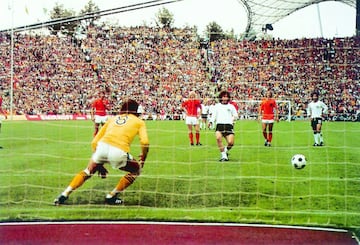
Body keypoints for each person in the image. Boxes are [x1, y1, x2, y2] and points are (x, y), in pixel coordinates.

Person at [54, 99, 150, 205]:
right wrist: (143, 157)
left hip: (102, 147)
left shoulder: (112, 119)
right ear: (136, 111)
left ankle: (64, 194)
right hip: (118, 151)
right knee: (136, 170)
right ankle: (111, 196)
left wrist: (99, 164)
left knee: (88, 171)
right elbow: (145, 141)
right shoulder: (139, 122)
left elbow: (94, 142)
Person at [213, 91, 238, 161]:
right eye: (223, 97)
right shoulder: (217, 106)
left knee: (231, 143)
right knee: (218, 138)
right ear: (221, 97)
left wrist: (232, 119)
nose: (225, 98)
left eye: (226, 97)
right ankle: (223, 156)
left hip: (228, 126)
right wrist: (211, 122)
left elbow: (236, 115)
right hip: (219, 125)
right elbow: (214, 115)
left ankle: (225, 151)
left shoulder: (231, 106)